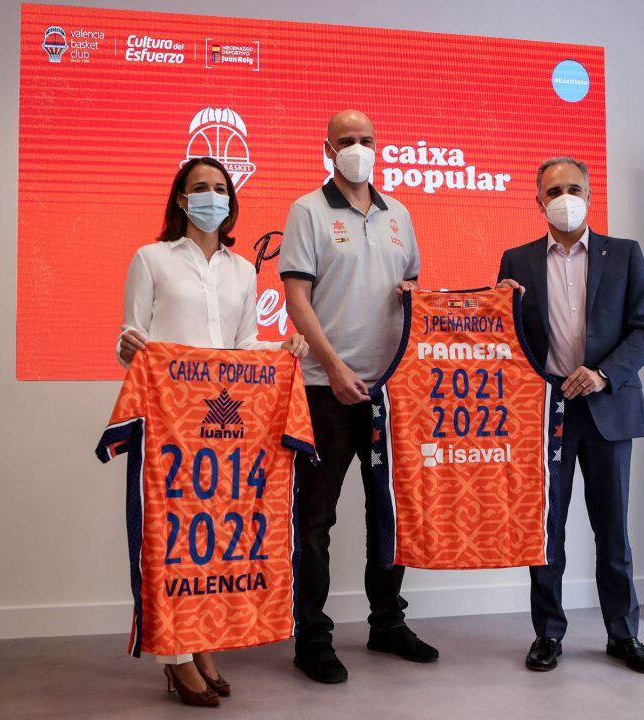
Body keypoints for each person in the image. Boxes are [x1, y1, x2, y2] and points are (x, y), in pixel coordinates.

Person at [117, 156, 309, 707]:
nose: (211, 195)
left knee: (212, 540)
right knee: (168, 541)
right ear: (180, 199)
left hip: (222, 433)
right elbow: (132, 336)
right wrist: (127, 346)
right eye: (199, 187)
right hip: (169, 425)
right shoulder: (151, 259)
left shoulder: (243, 270)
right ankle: (173, 657)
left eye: (219, 188)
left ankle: (201, 643)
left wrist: (283, 349)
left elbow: (243, 346)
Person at [279, 109, 439, 684]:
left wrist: (415, 297)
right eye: (346, 140)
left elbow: (414, 292)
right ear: (328, 149)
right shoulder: (308, 210)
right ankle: (311, 636)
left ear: (380, 147)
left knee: (388, 513)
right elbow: (298, 297)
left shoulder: (400, 214)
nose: (357, 148)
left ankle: (387, 624)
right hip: (327, 389)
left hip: (391, 393)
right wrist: (333, 366)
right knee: (316, 517)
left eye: (366, 139)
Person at [496, 156, 644, 674]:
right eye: (553, 190)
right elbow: (506, 340)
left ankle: (623, 634)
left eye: (574, 188)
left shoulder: (626, 254)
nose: (564, 197)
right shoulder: (516, 261)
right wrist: (497, 308)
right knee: (547, 531)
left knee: (613, 531)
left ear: (589, 194)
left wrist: (603, 373)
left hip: (609, 407)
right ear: (538, 200)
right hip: (546, 413)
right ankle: (547, 634)